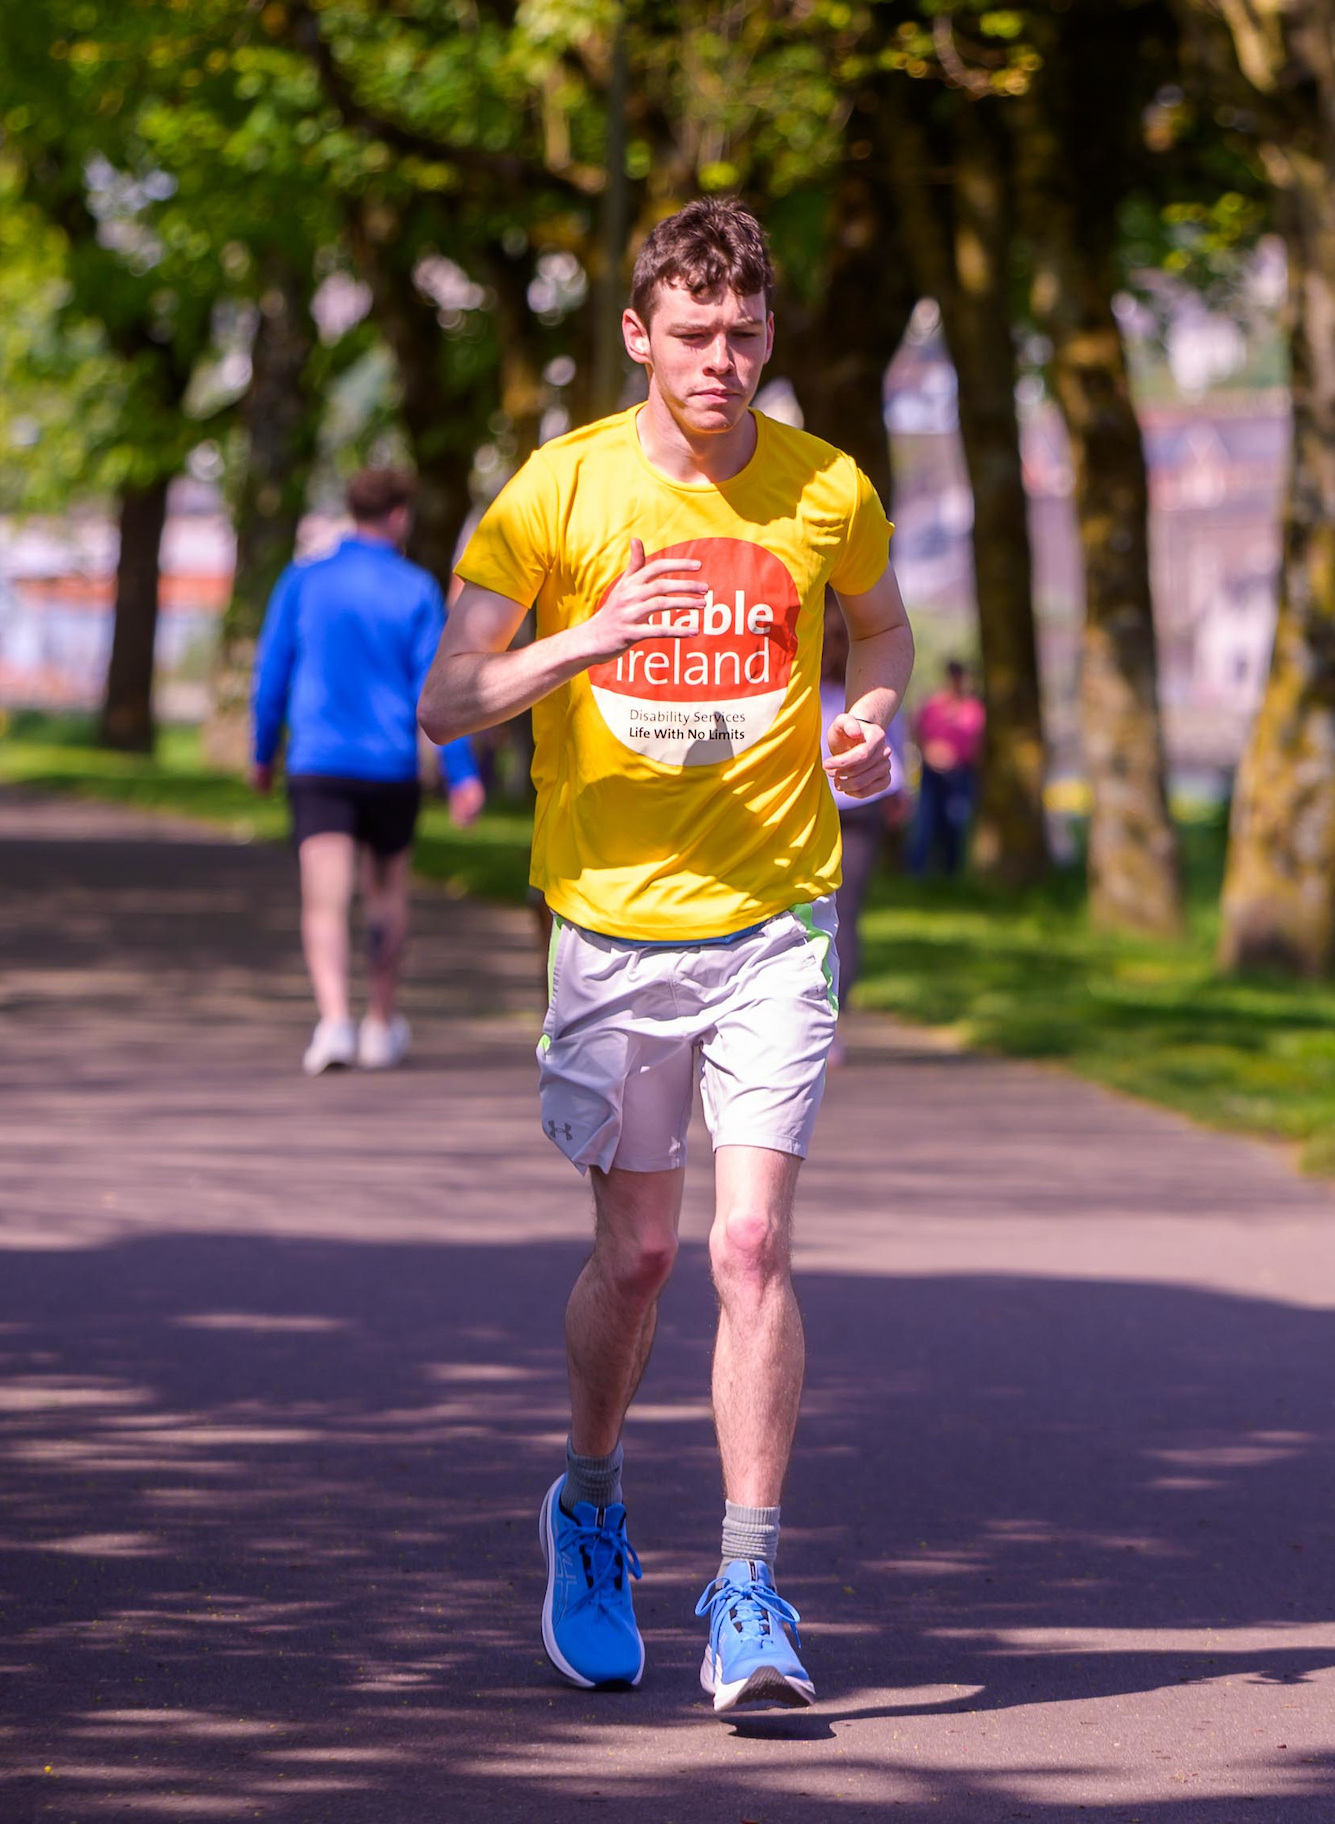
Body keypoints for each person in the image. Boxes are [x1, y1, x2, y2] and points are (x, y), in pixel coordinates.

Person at [418, 196, 912, 1712]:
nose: (721, 360)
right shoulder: (553, 498)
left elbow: (880, 634)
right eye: (693, 334)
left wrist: (869, 725)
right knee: (634, 1259)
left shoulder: (826, 487)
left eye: (746, 333)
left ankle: (751, 1586)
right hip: (613, 929)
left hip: (779, 917)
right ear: (638, 335)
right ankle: (589, 1501)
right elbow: (447, 700)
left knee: (748, 1246)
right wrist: (586, 639)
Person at [251, 468, 485, 1076]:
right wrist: (461, 773)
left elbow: (272, 670)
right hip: (389, 767)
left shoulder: (303, 581)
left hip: (319, 763)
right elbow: (437, 686)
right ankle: (380, 1023)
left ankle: (333, 1022)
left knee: (324, 901)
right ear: (400, 516)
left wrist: (260, 751)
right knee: (387, 894)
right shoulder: (414, 590)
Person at [819, 611, 907, 1061]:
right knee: (845, 915)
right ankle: (832, 1025)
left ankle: (809, 1021)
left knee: (796, 911)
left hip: (807, 796)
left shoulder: (795, 664)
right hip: (863, 797)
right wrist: (902, 788)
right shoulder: (870, 662)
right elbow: (895, 728)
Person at [905, 658, 982, 875]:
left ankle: (950, 875)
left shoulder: (973, 708)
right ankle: (916, 874)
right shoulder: (933, 706)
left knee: (955, 824)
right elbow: (918, 733)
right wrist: (930, 753)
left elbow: (977, 742)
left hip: (961, 774)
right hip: (932, 774)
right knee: (925, 824)